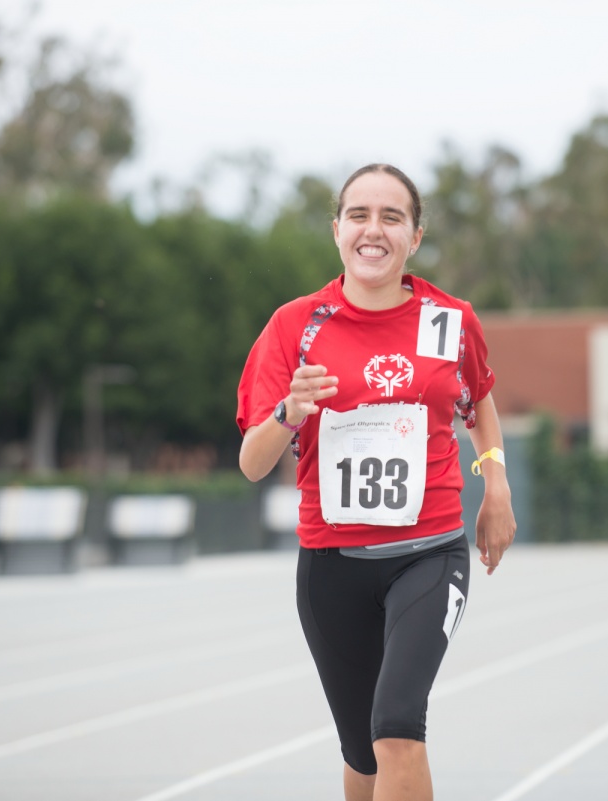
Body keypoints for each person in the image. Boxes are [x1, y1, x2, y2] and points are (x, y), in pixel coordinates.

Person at [236, 163, 517, 801]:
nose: (374, 229)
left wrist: (495, 487)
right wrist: (290, 410)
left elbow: (480, 404)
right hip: (332, 562)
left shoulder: (449, 320)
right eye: (359, 214)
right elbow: (254, 462)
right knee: (363, 757)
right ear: (337, 230)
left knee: (396, 727)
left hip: (429, 551)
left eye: (392, 217)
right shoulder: (294, 326)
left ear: (415, 237)